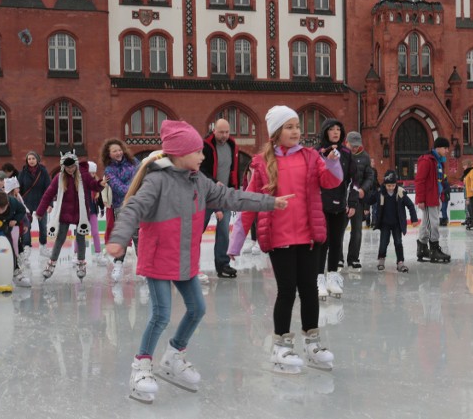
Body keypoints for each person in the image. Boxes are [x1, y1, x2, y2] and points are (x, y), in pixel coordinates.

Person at [105, 120, 285, 403]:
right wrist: (119, 237)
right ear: (178, 153)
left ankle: (174, 356)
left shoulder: (198, 180)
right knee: (161, 314)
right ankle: (141, 366)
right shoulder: (156, 180)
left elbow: (230, 196)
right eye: (197, 152)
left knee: (198, 308)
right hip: (158, 258)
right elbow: (133, 208)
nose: (203, 157)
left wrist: (268, 202)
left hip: (185, 259)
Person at [228, 106, 342, 374]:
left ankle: (313, 343)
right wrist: (235, 242)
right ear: (277, 132)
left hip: (308, 235)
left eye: (297, 126)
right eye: (289, 127)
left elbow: (331, 182)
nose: (296, 131)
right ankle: (281, 345)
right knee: (286, 291)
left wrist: (334, 161)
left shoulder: (311, 157)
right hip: (279, 239)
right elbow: (249, 204)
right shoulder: (261, 164)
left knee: (310, 290)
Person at [36, 152, 106, 282]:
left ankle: (81, 264)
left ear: (76, 165)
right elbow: (48, 194)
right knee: (60, 238)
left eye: (72, 166)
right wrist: (40, 211)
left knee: (80, 239)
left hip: (81, 213)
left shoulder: (83, 175)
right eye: (68, 167)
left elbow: (93, 186)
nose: (70, 169)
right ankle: (51, 264)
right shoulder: (59, 177)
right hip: (65, 213)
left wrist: (101, 183)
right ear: (63, 167)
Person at [315, 118, 358, 299]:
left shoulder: (346, 153)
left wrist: (353, 202)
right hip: (321, 205)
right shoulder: (318, 153)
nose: (335, 132)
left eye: (338, 130)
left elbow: (353, 180)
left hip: (340, 206)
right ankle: (318, 279)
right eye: (331, 129)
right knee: (321, 243)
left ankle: (332, 276)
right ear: (325, 132)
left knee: (335, 242)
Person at [201, 118, 240, 279]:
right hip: (206, 195)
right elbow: (201, 169)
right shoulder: (205, 146)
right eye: (221, 132)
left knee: (224, 231)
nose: (224, 135)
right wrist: (213, 181)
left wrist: (234, 190)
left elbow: (234, 168)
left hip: (224, 196)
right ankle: (187, 264)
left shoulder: (232, 145)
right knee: (197, 230)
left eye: (227, 132)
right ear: (214, 130)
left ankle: (223, 264)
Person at [101, 138, 140, 281]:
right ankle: (118, 264)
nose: (118, 153)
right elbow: (118, 188)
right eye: (114, 151)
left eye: (119, 150)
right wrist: (134, 188)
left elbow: (142, 176)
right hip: (120, 206)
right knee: (123, 236)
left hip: (137, 205)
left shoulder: (134, 162)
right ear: (109, 154)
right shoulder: (109, 170)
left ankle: (142, 267)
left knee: (138, 236)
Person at [368, 170, 417, 272]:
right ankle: (381, 261)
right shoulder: (380, 192)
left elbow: (411, 206)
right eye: (388, 185)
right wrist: (363, 203)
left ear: (396, 184)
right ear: (385, 184)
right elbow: (370, 200)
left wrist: (414, 219)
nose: (391, 188)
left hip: (397, 224)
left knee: (398, 243)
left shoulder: (400, 193)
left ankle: (400, 262)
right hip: (385, 224)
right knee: (383, 243)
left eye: (393, 185)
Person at [415, 137, 451, 263]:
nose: (447, 151)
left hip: (435, 197)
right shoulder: (427, 160)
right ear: (438, 148)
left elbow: (439, 181)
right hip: (429, 198)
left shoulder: (438, 161)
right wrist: (420, 199)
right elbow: (420, 180)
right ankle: (434, 248)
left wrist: (441, 196)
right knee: (433, 224)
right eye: (445, 148)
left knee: (426, 223)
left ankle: (422, 248)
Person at [342, 131, 373, 270]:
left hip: (358, 201)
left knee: (357, 231)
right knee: (339, 230)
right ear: (346, 142)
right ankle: (338, 258)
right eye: (351, 145)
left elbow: (370, 177)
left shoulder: (365, 157)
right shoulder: (339, 155)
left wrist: (363, 190)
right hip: (342, 200)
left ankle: (353, 258)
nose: (353, 148)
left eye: (356, 146)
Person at [0, 190, 30, 287]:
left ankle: (16, 273)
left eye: (4, 208)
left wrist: (15, 219)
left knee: (11, 249)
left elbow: (22, 210)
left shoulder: (13, 202)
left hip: (6, 227)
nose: (1, 211)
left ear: (8, 204)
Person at [72, 162, 108, 266]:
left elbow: (99, 197)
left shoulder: (96, 183)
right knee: (80, 232)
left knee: (95, 233)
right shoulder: (80, 183)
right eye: (90, 173)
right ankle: (76, 254)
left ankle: (98, 254)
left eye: (93, 173)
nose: (92, 175)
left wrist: (101, 208)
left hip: (92, 211)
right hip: (82, 212)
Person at [18, 151, 52, 257]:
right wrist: (18, 202)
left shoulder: (43, 172)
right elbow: (18, 189)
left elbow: (49, 188)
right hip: (27, 203)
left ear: (37, 159)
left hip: (41, 202)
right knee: (26, 225)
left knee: (43, 225)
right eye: (29, 159)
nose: (31, 161)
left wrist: (50, 203)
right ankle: (26, 246)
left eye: (33, 158)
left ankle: (43, 246)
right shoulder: (23, 173)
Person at [4, 177, 30, 265]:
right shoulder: (7, 198)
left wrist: (26, 223)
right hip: (9, 226)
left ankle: (15, 261)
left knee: (17, 242)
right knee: (11, 243)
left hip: (17, 225)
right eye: (17, 188)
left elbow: (23, 211)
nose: (19, 189)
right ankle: (12, 261)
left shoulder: (18, 197)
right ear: (12, 189)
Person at [462, 160, 473, 230]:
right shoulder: (468, 172)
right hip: (470, 194)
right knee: (470, 209)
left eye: (464, 165)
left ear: (468, 165)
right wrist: (467, 197)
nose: (463, 167)